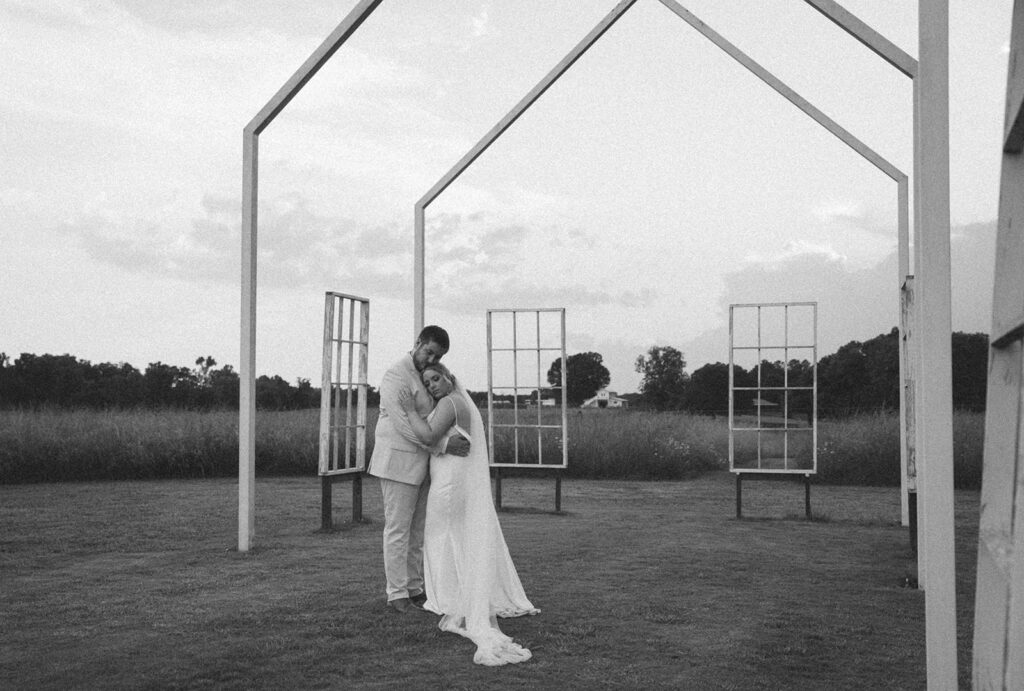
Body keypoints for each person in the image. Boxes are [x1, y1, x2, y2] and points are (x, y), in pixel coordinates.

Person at [397, 362, 539, 666]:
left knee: (441, 535)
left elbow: (428, 436)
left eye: (437, 378)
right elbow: (437, 441)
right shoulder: (457, 402)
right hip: (451, 474)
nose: (432, 385)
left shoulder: (451, 402)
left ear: (450, 378)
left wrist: (409, 411)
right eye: (428, 382)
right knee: (448, 536)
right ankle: (449, 593)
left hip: (450, 481)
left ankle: (446, 597)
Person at [368, 325, 470, 614]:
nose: (430, 359)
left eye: (436, 356)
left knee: (417, 530)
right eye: (428, 352)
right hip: (397, 462)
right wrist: (443, 447)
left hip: (424, 465)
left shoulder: (428, 372)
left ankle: (414, 588)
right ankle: (396, 593)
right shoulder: (395, 376)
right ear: (417, 343)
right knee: (398, 529)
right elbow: (403, 427)